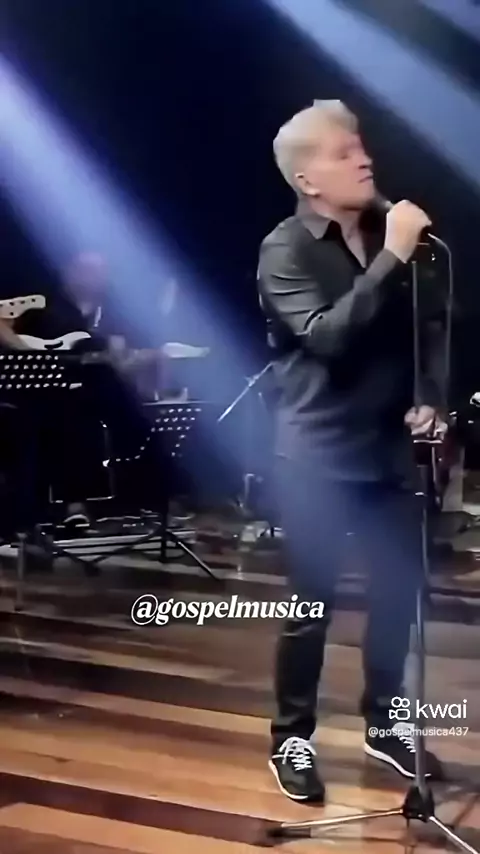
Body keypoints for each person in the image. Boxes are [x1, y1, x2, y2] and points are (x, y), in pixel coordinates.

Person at [257, 100, 446, 803]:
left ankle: (385, 723)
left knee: (399, 592)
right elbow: (329, 338)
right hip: (319, 455)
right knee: (312, 603)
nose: (364, 159)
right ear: (308, 179)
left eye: (361, 146)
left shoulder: (392, 238)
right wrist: (392, 256)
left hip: (390, 451)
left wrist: (431, 397)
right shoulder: (285, 250)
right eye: (344, 152)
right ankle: (291, 736)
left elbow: (432, 328)